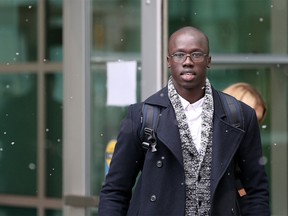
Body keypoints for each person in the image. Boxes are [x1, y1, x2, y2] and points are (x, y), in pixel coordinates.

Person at [98, 26, 270, 215]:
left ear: (208, 60)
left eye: (196, 54)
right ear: (168, 61)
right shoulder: (142, 115)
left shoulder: (240, 116)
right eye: (179, 55)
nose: (187, 62)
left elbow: (256, 191)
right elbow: (115, 191)